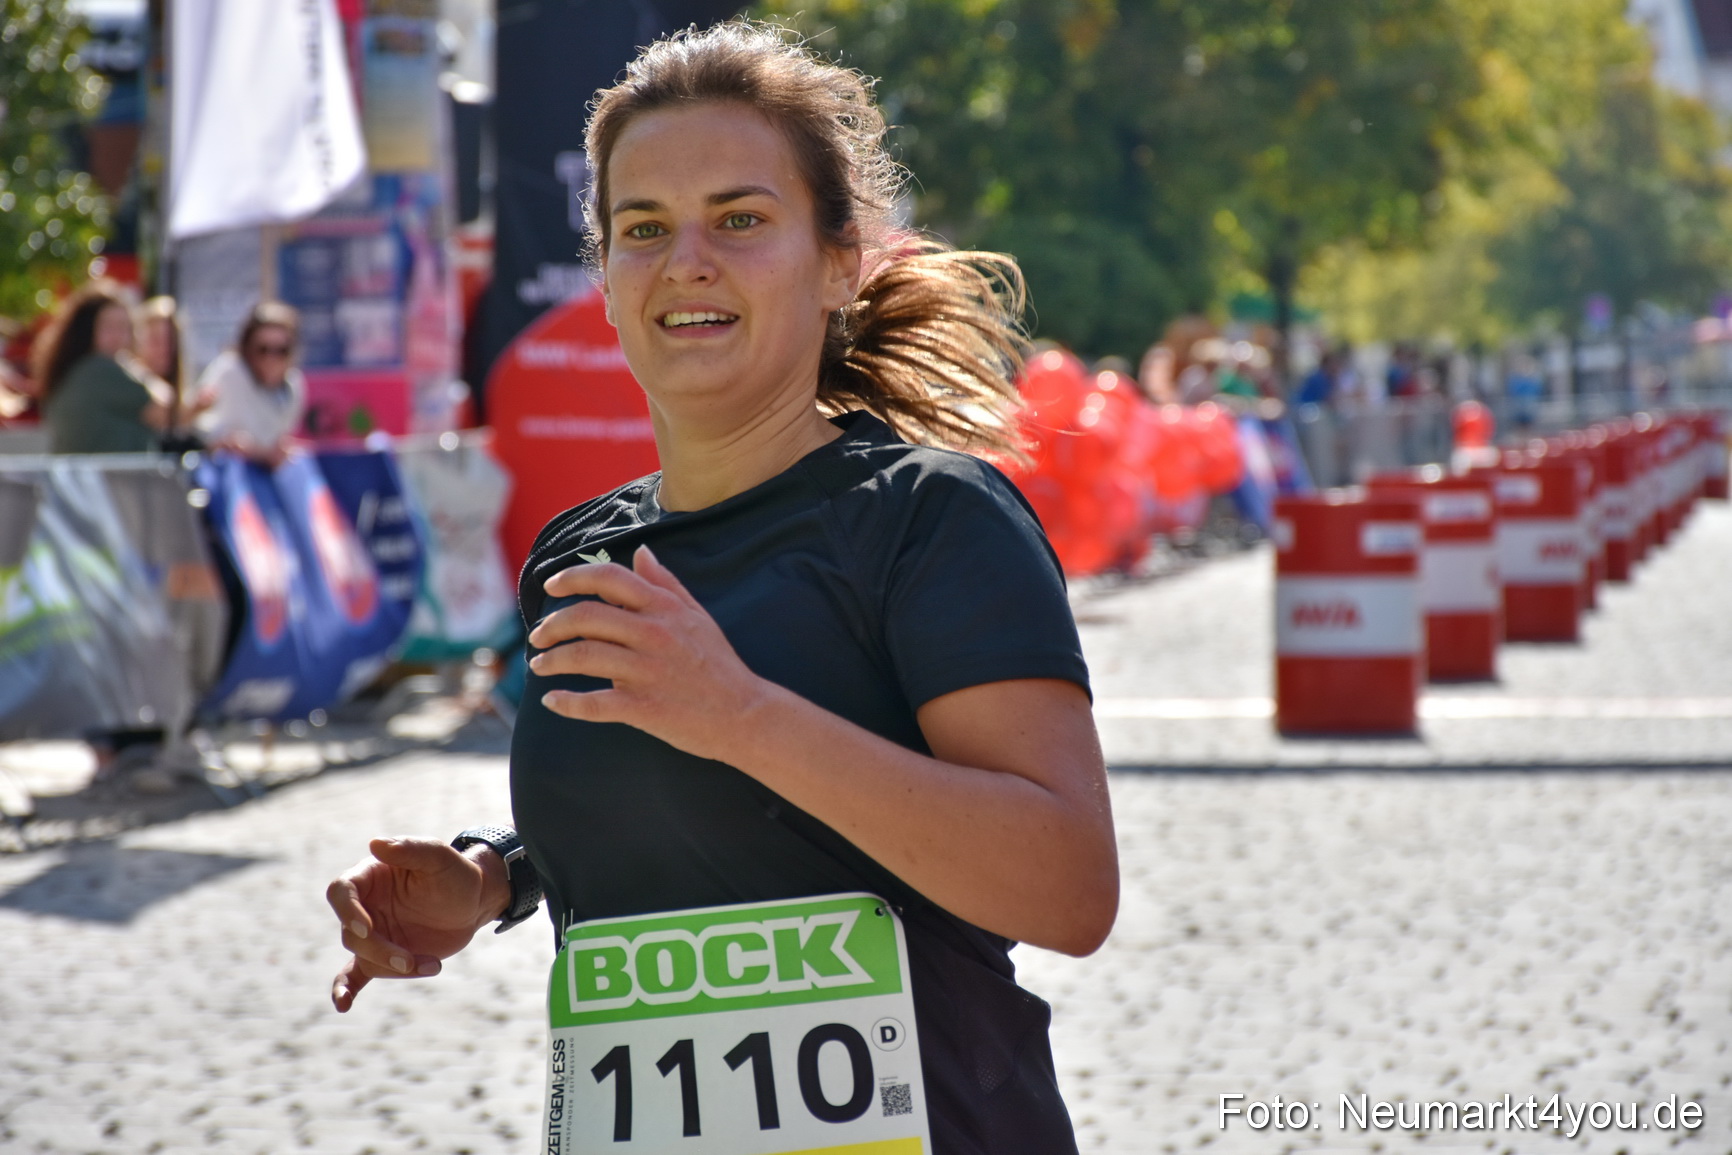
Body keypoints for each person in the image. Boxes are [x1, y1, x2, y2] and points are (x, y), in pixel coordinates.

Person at [325, 21, 1117, 1155]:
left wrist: (743, 715)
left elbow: (1068, 889)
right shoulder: (576, 556)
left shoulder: (930, 518)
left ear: (841, 262)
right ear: (604, 279)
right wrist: (493, 877)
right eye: (643, 229)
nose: (686, 259)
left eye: (741, 220)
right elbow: (692, 816)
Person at [31, 281, 171, 455]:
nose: (118, 338)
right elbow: (167, 411)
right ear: (86, 329)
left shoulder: (72, 369)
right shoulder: (99, 369)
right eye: (109, 327)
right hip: (112, 480)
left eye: (124, 328)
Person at [194, 301, 307, 466]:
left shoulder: (294, 384)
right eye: (263, 349)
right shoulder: (229, 370)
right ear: (248, 347)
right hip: (228, 472)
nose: (271, 359)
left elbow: (278, 442)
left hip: (269, 475)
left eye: (281, 350)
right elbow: (199, 429)